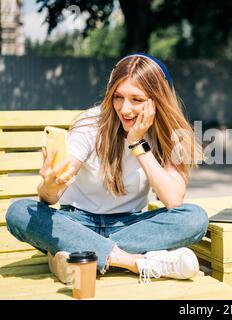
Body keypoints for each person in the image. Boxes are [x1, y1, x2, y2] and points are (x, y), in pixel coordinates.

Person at [5, 53, 209, 284]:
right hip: (77, 222)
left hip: (131, 225)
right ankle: (135, 263)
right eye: (118, 97)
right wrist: (50, 187)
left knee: (195, 219)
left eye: (137, 99)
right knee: (19, 212)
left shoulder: (170, 135)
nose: (125, 109)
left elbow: (173, 200)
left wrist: (137, 143)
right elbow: (50, 196)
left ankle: (76, 253)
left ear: (157, 100)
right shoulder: (91, 124)